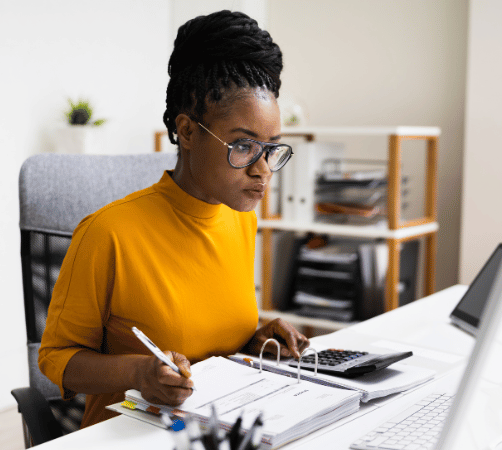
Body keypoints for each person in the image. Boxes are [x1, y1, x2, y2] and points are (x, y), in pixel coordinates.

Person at [38, 10, 310, 428]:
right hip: (129, 433)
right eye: (243, 146)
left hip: (214, 426)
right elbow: (56, 359)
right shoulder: (108, 233)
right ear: (187, 131)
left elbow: (211, 341)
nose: (263, 171)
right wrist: (138, 372)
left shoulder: (240, 219)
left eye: (271, 149)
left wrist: (256, 340)